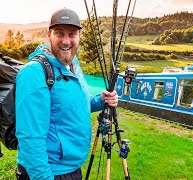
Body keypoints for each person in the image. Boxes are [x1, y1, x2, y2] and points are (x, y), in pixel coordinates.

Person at [15, 8, 118, 180]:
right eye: (59, 33)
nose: (66, 41)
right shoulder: (34, 73)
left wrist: (100, 100)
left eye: (72, 34)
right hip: (49, 172)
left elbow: (72, 105)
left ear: (79, 36)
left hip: (71, 168)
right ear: (49, 35)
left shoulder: (73, 64)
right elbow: (30, 139)